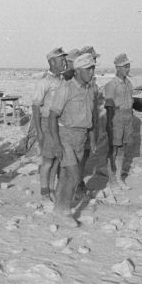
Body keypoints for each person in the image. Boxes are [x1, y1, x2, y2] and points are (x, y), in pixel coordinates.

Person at [49, 53, 98, 227]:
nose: (92, 72)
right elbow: (52, 116)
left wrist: (92, 140)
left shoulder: (90, 90)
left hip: (81, 137)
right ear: (77, 71)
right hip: (66, 136)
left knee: (66, 175)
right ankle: (65, 211)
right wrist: (56, 143)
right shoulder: (66, 88)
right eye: (88, 69)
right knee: (74, 175)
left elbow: (92, 117)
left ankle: (58, 207)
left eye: (93, 68)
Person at [31, 47, 67, 201]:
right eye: (61, 60)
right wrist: (39, 130)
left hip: (61, 125)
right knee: (47, 161)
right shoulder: (44, 81)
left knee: (57, 159)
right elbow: (35, 106)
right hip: (47, 124)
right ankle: (45, 191)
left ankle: (52, 189)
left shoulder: (63, 80)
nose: (64, 62)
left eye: (64, 59)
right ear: (52, 62)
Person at [104, 53, 134, 188]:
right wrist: (110, 124)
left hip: (128, 117)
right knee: (113, 149)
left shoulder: (129, 83)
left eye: (128, 66)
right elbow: (109, 106)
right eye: (125, 67)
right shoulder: (111, 84)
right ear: (117, 68)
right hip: (116, 117)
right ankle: (112, 179)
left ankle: (119, 178)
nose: (127, 69)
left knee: (123, 149)